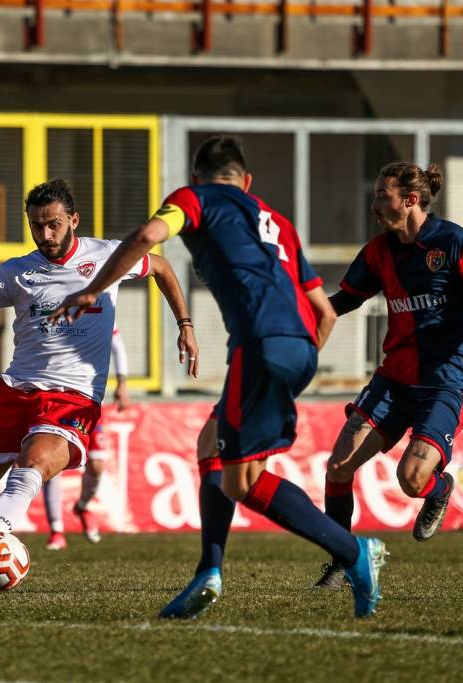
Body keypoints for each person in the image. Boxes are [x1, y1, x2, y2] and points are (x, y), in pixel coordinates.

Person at [51, 135, 387, 619]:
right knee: (214, 448)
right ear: (246, 181)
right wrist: (294, 358)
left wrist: (91, 289)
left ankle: (354, 553)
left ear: (195, 179)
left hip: (260, 346)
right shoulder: (277, 222)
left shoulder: (193, 200)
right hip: (301, 347)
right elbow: (324, 311)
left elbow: (149, 236)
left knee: (239, 482)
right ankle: (208, 571)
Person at [0, 178, 199, 591]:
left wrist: (185, 325)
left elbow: (164, 268)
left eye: (54, 224)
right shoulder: (16, 272)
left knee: (37, 461)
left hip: (74, 396)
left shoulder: (106, 255)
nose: (45, 234)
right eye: (37, 226)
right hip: (15, 390)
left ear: (73, 220)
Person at [313, 162, 463, 589]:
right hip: (394, 380)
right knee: (339, 464)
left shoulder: (454, 242)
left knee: (411, 480)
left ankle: (439, 490)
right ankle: (344, 561)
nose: (375, 204)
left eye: (383, 196)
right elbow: (345, 299)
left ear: (411, 200)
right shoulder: (378, 251)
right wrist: (302, 313)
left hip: (446, 383)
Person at [41, 326, 129, 550]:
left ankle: (82, 506)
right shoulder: (53, 302)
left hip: (88, 400)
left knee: (97, 465)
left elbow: (117, 345)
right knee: (50, 460)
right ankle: (56, 531)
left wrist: (122, 383)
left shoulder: (99, 303)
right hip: (54, 396)